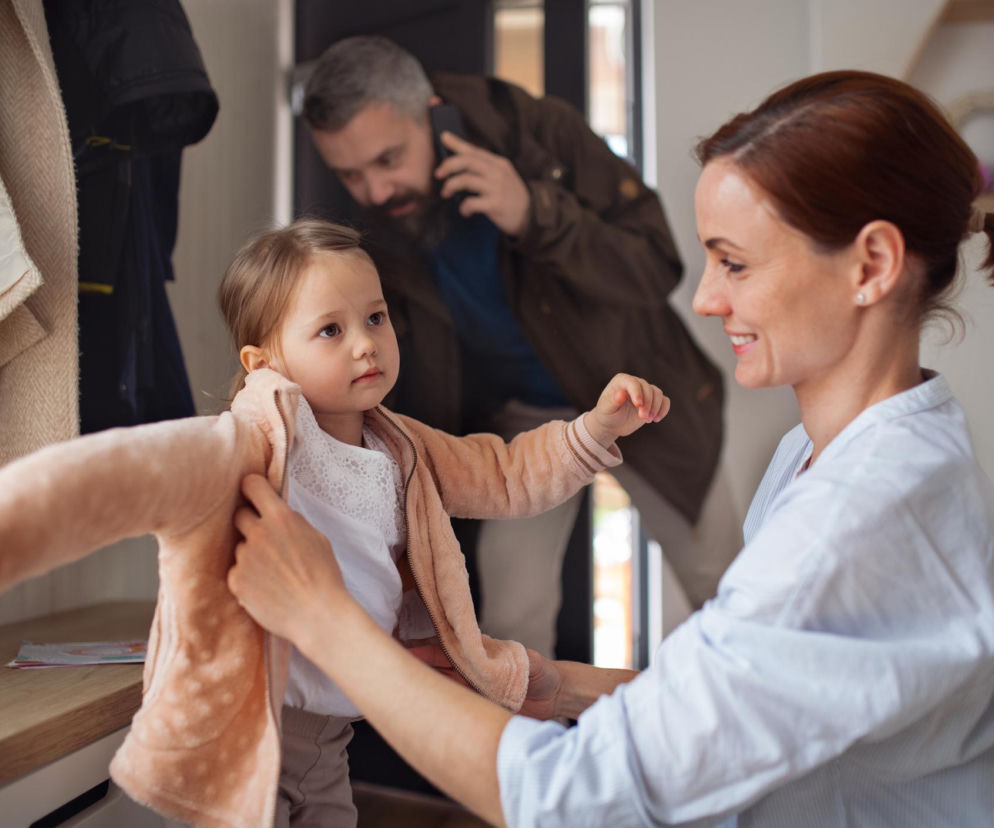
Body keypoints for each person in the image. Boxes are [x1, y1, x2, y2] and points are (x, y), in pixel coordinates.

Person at [227, 70, 994, 826]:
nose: (705, 298)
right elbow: (738, 700)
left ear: (872, 266)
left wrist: (325, 620)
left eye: (734, 262)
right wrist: (559, 686)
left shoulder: (847, 524)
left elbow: (569, 799)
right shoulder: (834, 450)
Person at [0, 218, 669, 827]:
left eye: (375, 317)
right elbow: (123, 474)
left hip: (335, 731)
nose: (366, 345)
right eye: (331, 330)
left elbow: (507, 475)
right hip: (248, 725)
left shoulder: (403, 446)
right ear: (263, 362)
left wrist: (595, 430)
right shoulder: (243, 445)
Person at [301, 35, 737, 656]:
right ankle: (526, 755)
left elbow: (655, 264)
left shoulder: (539, 131)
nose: (373, 190)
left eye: (389, 159)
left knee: (723, 589)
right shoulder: (369, 218)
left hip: (643, 396)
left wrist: (536, 212)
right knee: (509, 622)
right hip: (519, 423)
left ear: (433, 109)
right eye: (351, 173)